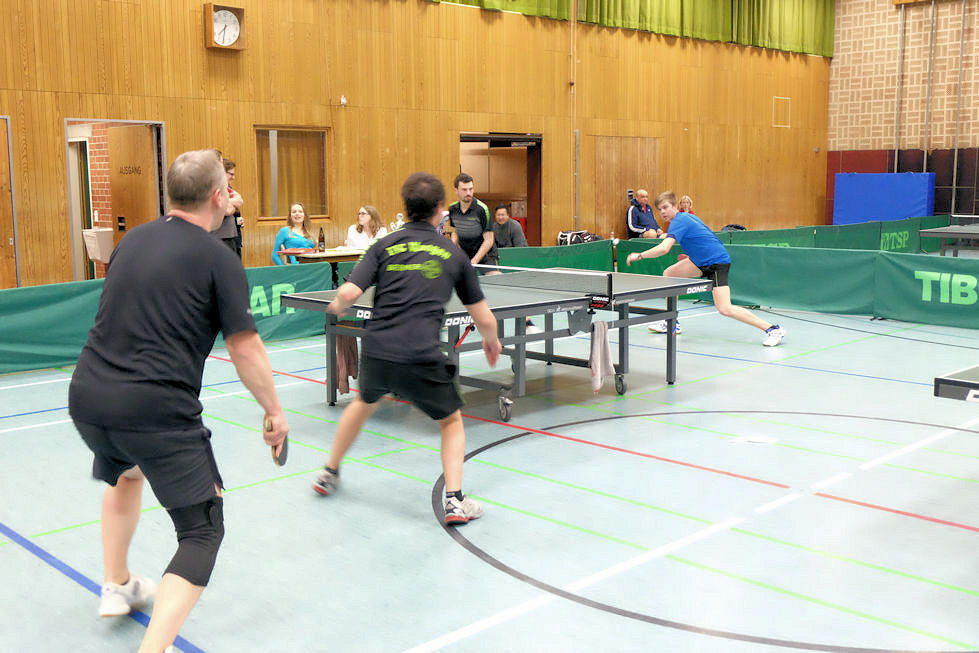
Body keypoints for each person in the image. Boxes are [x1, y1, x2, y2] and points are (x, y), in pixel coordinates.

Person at [68, 149, 290, 652]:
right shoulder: (219, 258)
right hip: (155, 411)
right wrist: (275, 412)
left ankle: (118, 585)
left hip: (89, 397)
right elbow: (245, 347)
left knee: (127, 473)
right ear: (218, 196)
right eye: (228, 190)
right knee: (202, 529)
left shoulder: (132, 240)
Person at [311, 171, 502, 525]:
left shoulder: (384, 246)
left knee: (363, 403)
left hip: (378, 348)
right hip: (420, 353)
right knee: (451, 421)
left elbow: (350, 292)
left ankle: (329, 472)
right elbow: (484, 317)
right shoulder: (452, 253)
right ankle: (455, 501)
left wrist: (337, 304)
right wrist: (491, 341)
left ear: (406, 207)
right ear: (441, 209)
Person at [626, 191, 786, 347]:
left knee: (725, 308)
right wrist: (695, 254)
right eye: (660, 209)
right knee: (669, 274)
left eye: (665, 207)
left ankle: (773, 329)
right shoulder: (686, 218)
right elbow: (705, 236)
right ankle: (671, 321)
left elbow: (664, 248)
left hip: (716, 262)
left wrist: (640, 255)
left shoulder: (679, 221)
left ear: (675, 206)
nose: (662, 212)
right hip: (699, 261)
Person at [448, 173, 498, 269]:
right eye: (464, 190)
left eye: (471, 189)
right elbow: (455, 233)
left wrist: (474, 261)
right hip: (466, 256)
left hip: (486, 257)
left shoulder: (482, 209)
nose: (468, 193)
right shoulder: (452, 209)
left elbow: (489, 240)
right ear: (456, 191)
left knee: (493, 276)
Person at [212, 159, 244, 257]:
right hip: (220, 237)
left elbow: (240, 200)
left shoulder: (228, 188)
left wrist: (228, 203)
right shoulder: (214, 188)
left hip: (233, 237)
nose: (233, 178)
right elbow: (227, 210)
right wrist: (232, 205)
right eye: (231, 174)